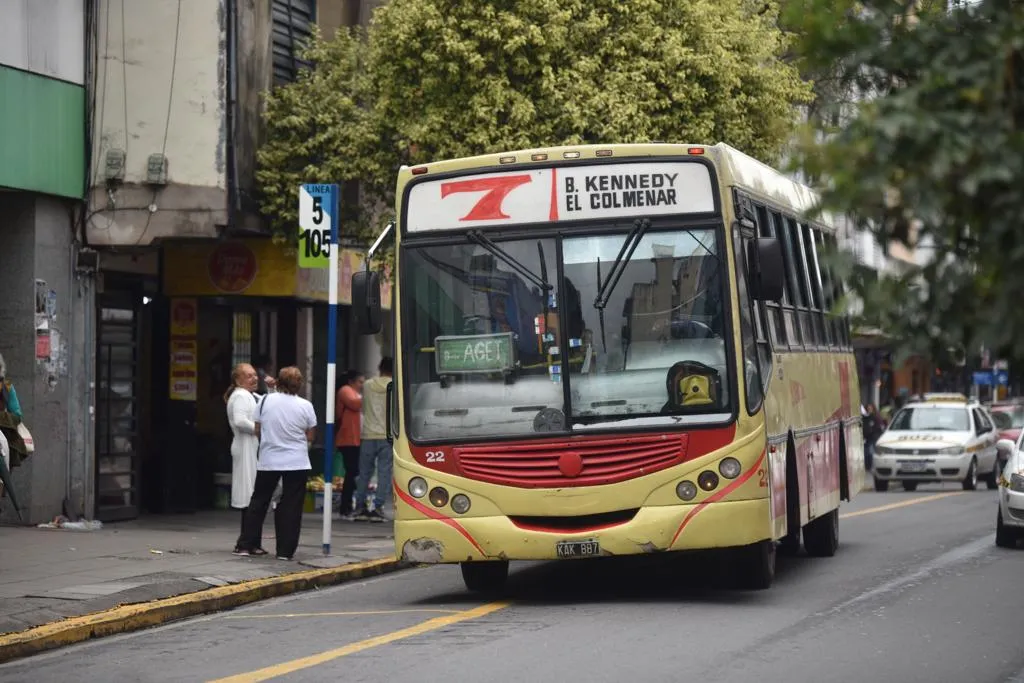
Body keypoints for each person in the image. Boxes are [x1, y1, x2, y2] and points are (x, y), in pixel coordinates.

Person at [235, 367, 317, 560]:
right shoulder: (305, 405)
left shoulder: (264, 401)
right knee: (291, 505)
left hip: (269, 460)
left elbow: (257, 429)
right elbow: (311, 434)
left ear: (278, 382)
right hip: (297, 462)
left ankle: (246, 544)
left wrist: (270, 441)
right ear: (299, 385)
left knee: (259, 501)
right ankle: (285, 551)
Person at [225, 363, 262, 554]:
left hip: (250, 446)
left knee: (253, 494)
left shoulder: (250, 396)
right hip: (245, 446)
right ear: (238, 380)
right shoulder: (240, 395)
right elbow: (240, 421)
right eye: (248, 376)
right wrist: (258, 428)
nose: (254, 378)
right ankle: (245, 542)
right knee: (248, 494)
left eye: (255, 375)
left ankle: (252, 541)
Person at [353, 357, 393, 523]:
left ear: (379, 367)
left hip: (368, 434)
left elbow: (362, 406)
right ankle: (378, 506)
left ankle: (360, 506)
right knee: (384, 472)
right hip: (387, 435)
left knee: (364, 473)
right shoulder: (393, 386)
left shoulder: (367, 385)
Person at [335, 369, 364, 520]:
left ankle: (348, 506)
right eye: (360, 382)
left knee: (353, 472)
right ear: (351, 381)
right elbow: (354, 404)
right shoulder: (346, 391)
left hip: (356, 438)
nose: (362, 385)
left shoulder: (354, 392)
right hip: (348, 439)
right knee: (352, 472)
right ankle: (345, 507)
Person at [862, 403, 885, 472]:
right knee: (866, 452)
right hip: (866, 437)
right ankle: (867, 466)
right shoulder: (865, 417)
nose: (869, 410)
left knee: (870, 452)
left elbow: (879, 427)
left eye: (870, 409)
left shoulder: (875, 417)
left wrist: (874, 432)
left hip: (873, 437)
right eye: (868, 409)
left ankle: (870, 466)